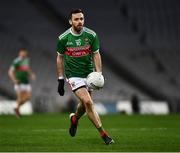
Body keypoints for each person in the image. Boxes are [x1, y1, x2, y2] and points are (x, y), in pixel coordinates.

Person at [56, 9, 114, 145]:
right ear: (70, 21)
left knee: (83, 104)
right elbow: (59, 58)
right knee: (88, 102)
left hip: (89, 75)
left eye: (81, 19)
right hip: (73, 75)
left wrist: (98, 73)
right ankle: (104, 135)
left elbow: (96, 54)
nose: (79, 21)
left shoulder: (91, 35)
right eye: (76, 19)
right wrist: (60, 79)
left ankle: (75, 119)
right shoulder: (63, 38)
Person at [8, 48, 36, 117]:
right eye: (22, 53)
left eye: (24, 53)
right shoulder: (17, 61)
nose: (23, 54)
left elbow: (27, 69)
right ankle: (17, 112)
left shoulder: (26, 60)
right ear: (19, 53)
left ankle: (17, 108)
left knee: (28, 97)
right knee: (20, 98)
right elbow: (10, 72)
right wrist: (14, 80)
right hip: (19, 82)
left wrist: (31, 74)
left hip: (26, 81)